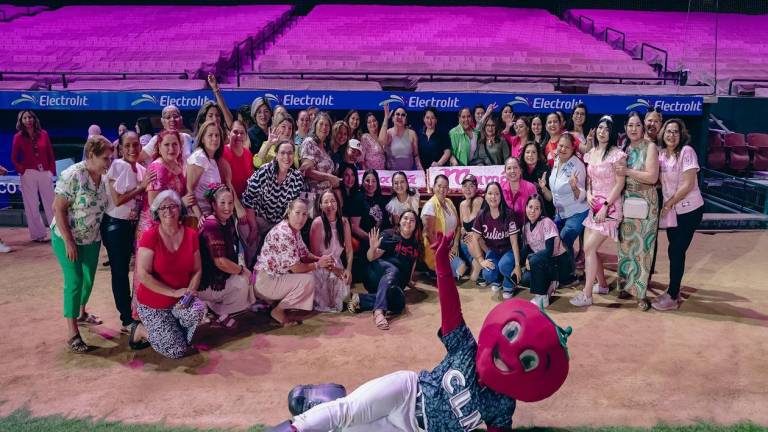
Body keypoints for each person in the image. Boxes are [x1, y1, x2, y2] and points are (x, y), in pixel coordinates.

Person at [270, 234, 571, 432]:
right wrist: (441, 264)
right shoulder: (467, 349)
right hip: (407, 391)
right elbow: (452, 310)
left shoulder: (504, 405)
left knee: (346, 429)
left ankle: (321, 399)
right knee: (347, 413)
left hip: (412, 430)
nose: (512, 355)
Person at [51, 135, 113, 353]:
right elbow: (58, 208)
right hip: (66, 237)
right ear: (91, 155)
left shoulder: (105, 178)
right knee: (75, 280)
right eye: (105, 158)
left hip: (91, 239)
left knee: (88, 279)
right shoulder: (73, 175)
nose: (109, 163)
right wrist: (68, 241)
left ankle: (81, 312)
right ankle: (72, 333)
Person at [133, 190, 206, 358]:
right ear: (156, 212)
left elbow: (197, 270)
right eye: (162, 207)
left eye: (172, 206)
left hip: (179, 299)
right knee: (176, 351)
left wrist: (189, 294)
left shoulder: (191, 235)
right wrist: (173, 292)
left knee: (198, 309)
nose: (168, 211)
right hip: (153, 304)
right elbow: (143, 275)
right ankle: (140, 330)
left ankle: (172, 330)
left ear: (179, 209)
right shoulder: (150, 236)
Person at [101, 131, 155, 333]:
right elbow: (117, 199)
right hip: (116, 226)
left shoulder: (141, 169)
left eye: (136, 145)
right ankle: (126, 318)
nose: (132, 149)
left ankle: (136, 312)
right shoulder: (117, 166)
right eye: (128, 146)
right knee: (120, 272)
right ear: (121, 148)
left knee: (138, 272)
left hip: (134, 226)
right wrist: (141, 187)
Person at [570, 116, 627, 308]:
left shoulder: (617, 155)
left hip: (609, 208)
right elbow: (589, 181)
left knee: (588, 248)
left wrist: (605, 206)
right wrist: (588, 196)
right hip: (593, 206)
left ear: (612, 133)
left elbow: (620, 183)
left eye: (607, 129)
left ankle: (587, 294)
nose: (602, 132)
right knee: (590, 249)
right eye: (600, 128)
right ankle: (602, 285)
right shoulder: (591, 153)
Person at [253, 198, 333, 326]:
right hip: (265, 281)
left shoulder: (294, 230)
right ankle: (278, 311)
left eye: (304, 214)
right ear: (289, 212)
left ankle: (279, 306)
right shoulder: (284, 232)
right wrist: (319, 264)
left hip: (276, 276)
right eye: (297, 213)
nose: (301, 218)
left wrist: (322, 260)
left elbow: (305, 254)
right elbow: (296, 268)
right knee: (308, 279)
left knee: (310, 274)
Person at [653, 119, 704, 311]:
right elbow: (658, 180)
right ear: (663, 134)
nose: (671, 135)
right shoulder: (662, 155)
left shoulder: (687, 152)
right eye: (668, 131)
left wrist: (669, 202)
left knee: (676, 251)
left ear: (681, 134)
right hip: (673, 211)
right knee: (674, 251)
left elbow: (688, 184)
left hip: (689, 210)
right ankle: (674, 289)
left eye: (675, 132)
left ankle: (673, 296)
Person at [615, 112, 659, 310]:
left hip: (646, 201)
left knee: (643, 250)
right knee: (626, 247)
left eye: (637, 125)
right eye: (630, 125)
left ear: (643, 128)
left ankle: (640, 294)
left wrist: (628, 172)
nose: (633, 129)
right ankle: (625, 285)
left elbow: (651, 177)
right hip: (627, 201)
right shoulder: (624, 147)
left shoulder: (650, 147)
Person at [197, 184, 259, 326]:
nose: (227, 207)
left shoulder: (228, 220)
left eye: (230, 203)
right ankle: (219, 310)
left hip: (217, 276)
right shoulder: (212, 225)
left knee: (247, 278)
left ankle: (218, 309)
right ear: (213, 204)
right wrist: (242, 270)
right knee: (243, 281)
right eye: (222, 203)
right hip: (205, 282)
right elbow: (220, 262)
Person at [349, 212, 420, 330]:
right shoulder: (389, 235)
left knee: (399, 303)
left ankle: (360, 299)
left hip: (393, 284)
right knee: (393, 270)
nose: (408, 222)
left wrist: (409, 280)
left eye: (412, 220)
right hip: (376, 275)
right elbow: (371, 257)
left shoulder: (415, 243)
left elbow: (412, 262)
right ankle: (378, 312)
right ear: (400, 221)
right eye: (405, 218)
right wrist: (372, 248)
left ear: (416, 225)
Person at [242, 140, 306, 261]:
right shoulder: (264, 171)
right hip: (257, 217)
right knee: (251, 246)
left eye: (290, 153)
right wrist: (254, 228)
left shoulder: (297, 179)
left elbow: (292, 210)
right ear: (276, 155)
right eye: (282, 153)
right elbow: (248, 199)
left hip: (277, 223)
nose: (286, 157)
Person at [539, 133, 589, 271]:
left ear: (573, 149)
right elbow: (553, 196)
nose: (563, 149)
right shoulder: (556, 161)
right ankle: (562, 270)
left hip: (577, 213)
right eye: (561, 146)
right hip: (560, 213)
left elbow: (582, 196)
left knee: (564, 241)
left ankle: (570, 273)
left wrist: (574, 188)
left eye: (567, 147)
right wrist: (544, 188)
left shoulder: (577, 166)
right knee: (553, 241)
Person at [137, 130, 190, 252]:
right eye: (166, 145)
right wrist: (181, 202)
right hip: (155, 226)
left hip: (170, 222)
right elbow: (153, 203)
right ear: (159, 147)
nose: (171, 148)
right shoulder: (158, 168)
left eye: (175, 144)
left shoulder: (177, 163)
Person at [470, 181, 522, 299]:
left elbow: (514, 242)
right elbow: (475, 238)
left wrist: (518, 265)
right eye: (490, 193)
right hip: (493, 251)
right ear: (485, 196)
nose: (493, 197)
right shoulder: (482, 214)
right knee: (487, 273)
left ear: (501, 196)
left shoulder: (509, 214)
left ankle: (509, 283)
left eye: (497, 194)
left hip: (508, 251)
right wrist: (481, 260)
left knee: (504, 265)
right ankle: (497, 280)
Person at [12, 109, 56, 242]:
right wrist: (22, 170)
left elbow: (50, 153)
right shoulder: (18, 137)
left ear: (34, 119)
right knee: (31, 205)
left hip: (44, 173)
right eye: (24, 118)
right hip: (28, 174)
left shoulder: (44, 134)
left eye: (29, 117)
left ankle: (57, 232)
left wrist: (51, 171)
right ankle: (38, 235)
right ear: (21, 121)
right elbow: (14, 157)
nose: (28, 120)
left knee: (51, 203)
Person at [521, 194, 572, 308]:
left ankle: (542, 297)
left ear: (541, 210)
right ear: (526, 208)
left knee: (534, 260)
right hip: (542, 261)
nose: (533, 211)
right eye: (530, 207)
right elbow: (526, 249)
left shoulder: (546, 222)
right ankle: (549, 284)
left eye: (537, 208)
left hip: (557, 261)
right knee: (525, 279)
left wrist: (530, 258)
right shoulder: (526, 227)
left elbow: (549, 251)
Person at [309, 190, 353, 313]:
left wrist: (348, 269)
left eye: (333, 201)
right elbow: (315, 255)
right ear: (320, 206)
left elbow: (349, 250)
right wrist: (335, 270)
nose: (330, 205)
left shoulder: (344, 222)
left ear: (338, 204)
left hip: (336, 264)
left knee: (342, 299)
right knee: (328, 301)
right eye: (326, 202)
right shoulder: (317, 223)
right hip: (321, 266)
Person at [421, 175, 463, 275]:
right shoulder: (430, 206)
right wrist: (443, 252)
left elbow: (458, 226)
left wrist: (456, 244)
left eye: (445, 187)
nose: (442, 189)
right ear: (434, 187)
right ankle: (436, 273)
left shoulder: (449, 202)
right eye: (439, 186)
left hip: (452, 246)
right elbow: (429, 233)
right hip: (437, 250)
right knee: (462, 268)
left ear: (448, 189)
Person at [186, 120, 224, 222]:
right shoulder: (200, 157)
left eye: (217, 135)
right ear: (202, 139)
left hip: (210, 214)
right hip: (198, 218)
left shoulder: (213, 159)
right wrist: (199, 216)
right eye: (210, 135)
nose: (214, 139)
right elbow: (189, 190)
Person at [350, 169, 389, 257]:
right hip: (366, 239)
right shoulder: (358, 199)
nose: (370, 184)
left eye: (373, 181)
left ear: (377, 182)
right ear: (363, 182)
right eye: (367, 181)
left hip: (381, 238)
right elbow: (354, 227)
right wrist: (371, 239)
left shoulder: (380, 198)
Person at [300, 112, 339, 197]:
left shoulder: (326, 148)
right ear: (315, 125)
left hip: (325, 197)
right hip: (311, 196)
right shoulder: (309, 142)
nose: (324, 127)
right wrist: (329, 177)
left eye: (327, 125)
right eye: (321, 124)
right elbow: (306, 171)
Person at [379, 105, 423, 171]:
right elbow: (381, 141)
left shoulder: (412, 134)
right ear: (393, 118)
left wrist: (420, 168)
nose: (400, 117)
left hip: (408, 175)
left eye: (403, 115)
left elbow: (416, 155)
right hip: (391, 175)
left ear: (406, 120)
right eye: (397, 114)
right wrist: (386, 118)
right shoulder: (389, 133)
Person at [458, 174, 484, 281]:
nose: (468, 189)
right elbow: (462, 227)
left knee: (473, 278)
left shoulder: (479, 201)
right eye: (465, 186)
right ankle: (473, 262)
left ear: (476, 188)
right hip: (467, 245)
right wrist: (464, 232)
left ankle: (480, 261)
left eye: (471, 186)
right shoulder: (462, 204)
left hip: (480, 243)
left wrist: (473, 234)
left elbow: (485, 227)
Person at [500, 156, 538, 230]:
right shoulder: (500, 187)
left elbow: (536, 211)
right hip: (506, 230)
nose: (512, 171)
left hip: (527, 229)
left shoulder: (530, 187)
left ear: (520, 170)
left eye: (515, 167)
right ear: (505, 172)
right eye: (509, 168)